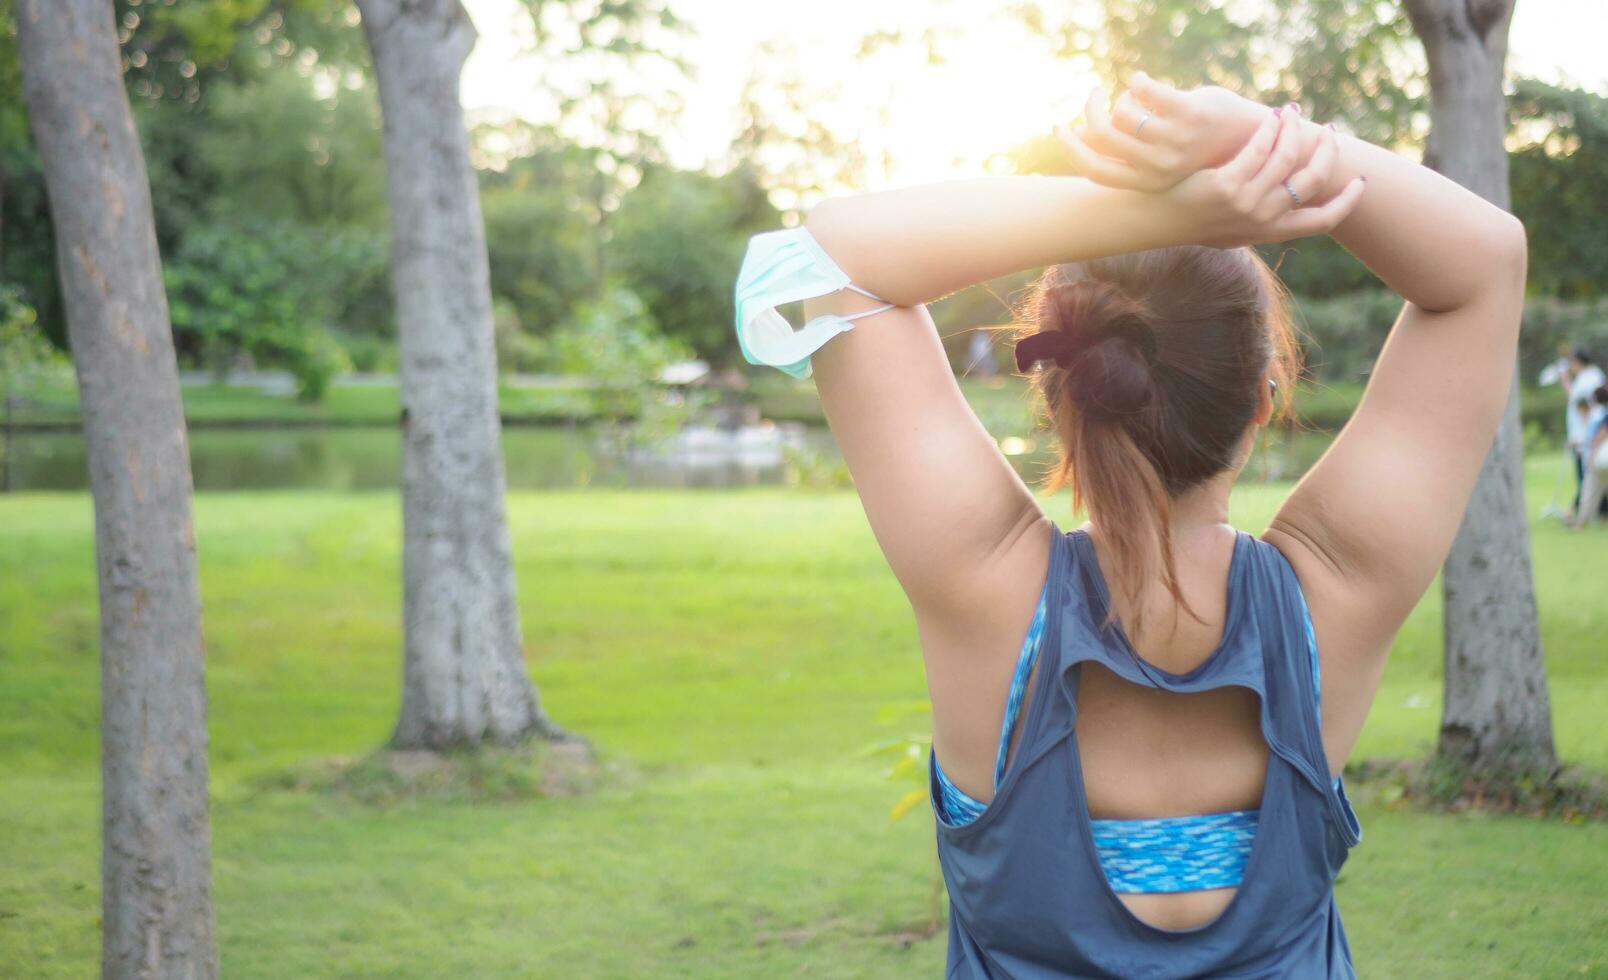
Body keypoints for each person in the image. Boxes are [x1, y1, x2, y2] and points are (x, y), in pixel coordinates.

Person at [733, 74, 1525, 977]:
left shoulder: (986, 590)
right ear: (1267, 392)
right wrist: (1258, 136)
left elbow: (830, 253)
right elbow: (1486, 264)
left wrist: (1143, 214)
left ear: (1058, 389)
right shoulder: (1337, 593)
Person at [1557, 347, 1606, 516]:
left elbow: (1580, 402)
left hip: (1588, 433)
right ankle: (1587, 510)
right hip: (1585, 432)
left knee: (1588, 473)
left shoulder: (1589, 378)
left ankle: (1580, 511)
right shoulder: (1589, 376)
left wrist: (1564, 380)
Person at [1571, 387, 1608, 529]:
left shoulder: (1600, 414)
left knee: (1590, 489)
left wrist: (1591, 456)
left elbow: (1600, 436)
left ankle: (1581, 522)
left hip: (1601, 460)